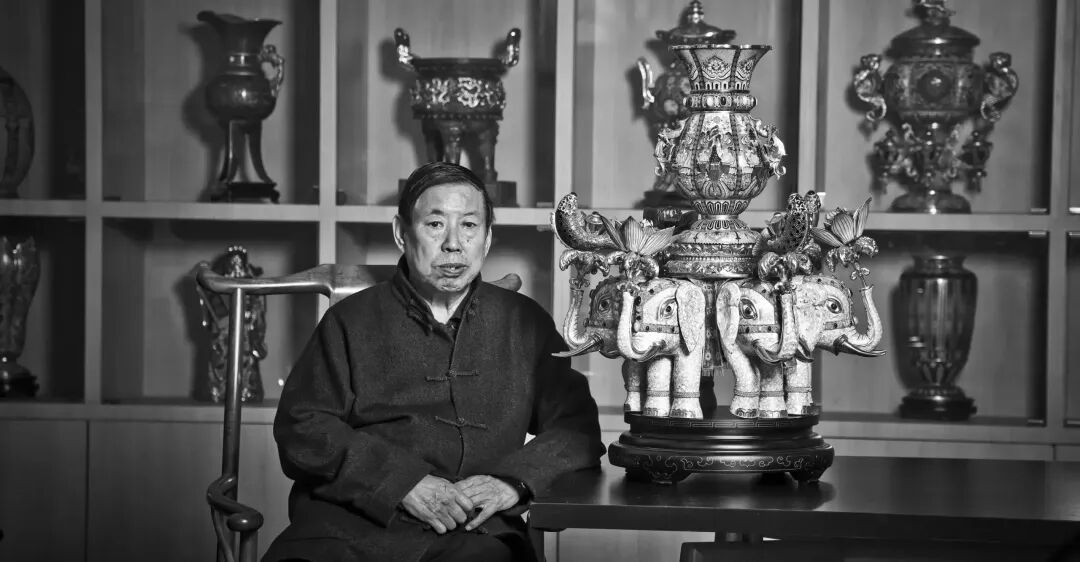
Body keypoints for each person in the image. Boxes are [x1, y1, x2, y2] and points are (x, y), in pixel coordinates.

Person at [262, 162, 605, 562]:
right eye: (435, 224)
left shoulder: (524, 323)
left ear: (487, 239)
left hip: (470, 531)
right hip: (348, 525)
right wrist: (400, 482)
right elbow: (303, 427)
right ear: (401, 233)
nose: (453, 244)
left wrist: (512, 483)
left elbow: (575, 428)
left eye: (469, 225)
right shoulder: (349, 321)